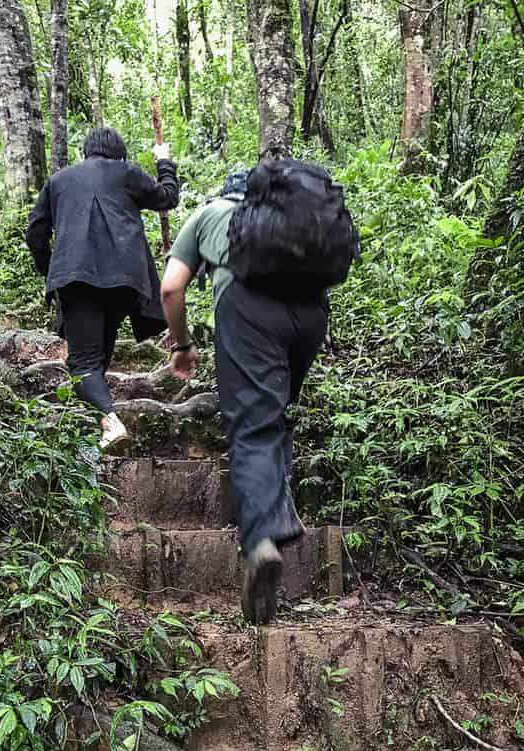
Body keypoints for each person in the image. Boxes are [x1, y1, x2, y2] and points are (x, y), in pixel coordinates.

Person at [160, 169, 332, 624]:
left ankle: (260, 540)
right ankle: (278, 512)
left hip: (249, 308)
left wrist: (181, 344)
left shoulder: (208, 214)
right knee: (273, 414)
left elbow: (171, 287)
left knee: (253, 425)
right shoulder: (289, 219)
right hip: (311, 313)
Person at [26, 127, 179, 449]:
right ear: (118, 152)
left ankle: (109, 422)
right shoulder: (128, 173)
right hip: (124, 279)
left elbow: (35, 234)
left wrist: (50, 269)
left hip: (76, 278)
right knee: (98, 356)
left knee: (83, 362)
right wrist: (164, 163)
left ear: (86, 150)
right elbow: (168, 198)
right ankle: (101, 425)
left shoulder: (59, 180)